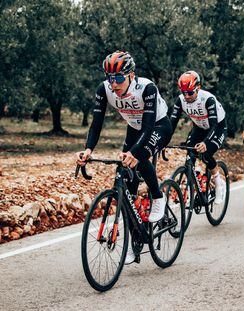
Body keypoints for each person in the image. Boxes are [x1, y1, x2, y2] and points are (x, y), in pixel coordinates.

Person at [75, 51, 172, 264]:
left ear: (131, 75)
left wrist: (135, 153)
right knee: (127, 186)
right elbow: (96, 123)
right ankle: (133, 240)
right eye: (110, 78)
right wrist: (88, 150)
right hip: (134, 128)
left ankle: (158, 197)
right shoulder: (105, 89)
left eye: (119, 78)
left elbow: (147, 127)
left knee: (139, 157)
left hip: (157, 126)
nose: (114, 84)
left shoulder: (147, 88)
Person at [170, 70, 227, 204]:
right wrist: (164, 140)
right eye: (184, 93)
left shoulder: (208, 99)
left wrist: (206, 142)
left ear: (198, 87)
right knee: (190, 154)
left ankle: (219, 184)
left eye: (190, 92)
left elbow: (213, 125)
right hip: (199, 128)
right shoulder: (181, 100)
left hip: (217, 128)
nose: (187, 96)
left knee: (206, 154)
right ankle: (195, 185)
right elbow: (172, 123)